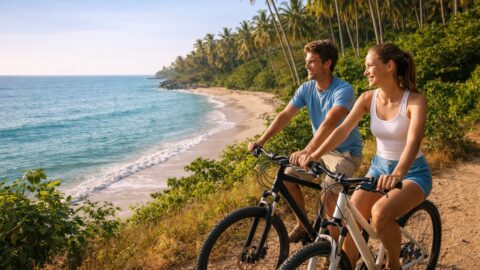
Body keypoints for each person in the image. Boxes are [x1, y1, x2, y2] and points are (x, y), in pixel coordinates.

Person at [299, 43, 432, 269]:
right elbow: (341, 130)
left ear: (389, 66)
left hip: (412, 173)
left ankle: (393, 264)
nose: (365, 71)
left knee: (380, 214)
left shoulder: (414, 101)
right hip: (378, 170)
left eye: (370, 65)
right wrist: (314, 153)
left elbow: (413, 141)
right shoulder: (367, 99)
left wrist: (398, 173)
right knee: (350, 215)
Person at [247, 39, 363, 242]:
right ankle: (303, 225)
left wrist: (307, 151)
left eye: (312, 62)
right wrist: (262, 140)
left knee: (328, 195)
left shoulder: (342, 90)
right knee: (287, 176)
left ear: (327, 63)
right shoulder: (306, 88)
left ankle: (333, 251)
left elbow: (330, 122)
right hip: (320, 152)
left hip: (345, 154)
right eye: (307, 61)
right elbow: (286, 114)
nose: (306, 65)